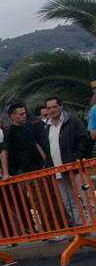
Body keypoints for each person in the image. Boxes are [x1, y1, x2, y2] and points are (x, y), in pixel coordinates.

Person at [45, 96, 90, 225]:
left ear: (61, 106)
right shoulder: (46, 127)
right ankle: (80, 227)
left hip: (75, 168)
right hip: (58, 171)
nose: (52, 110)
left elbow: (84, 140)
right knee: (69, 202)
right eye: (49, 108)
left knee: (87, 198)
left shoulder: (72, 121)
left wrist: (76, 157)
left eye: (54, 107)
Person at [4, 102, 48, 175]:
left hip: (38, 166)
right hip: (23, 170)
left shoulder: (28, 127)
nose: (24, 116)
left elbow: (36, 144)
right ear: (12, 116)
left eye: (25, 113)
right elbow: (4, 152)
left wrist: (46, 161)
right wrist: (6, 173)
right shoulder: (9, 132)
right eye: (21, 114)